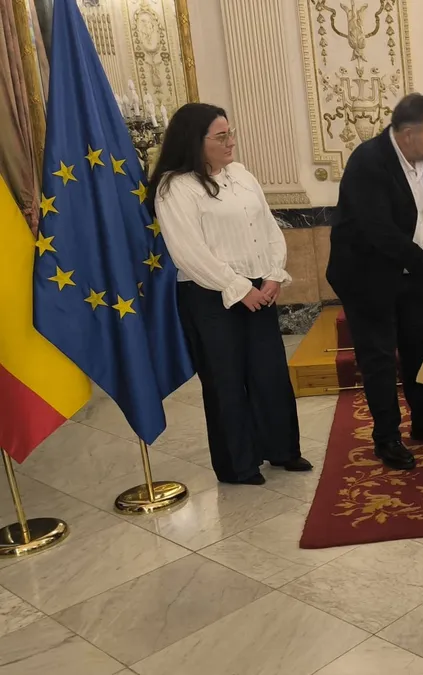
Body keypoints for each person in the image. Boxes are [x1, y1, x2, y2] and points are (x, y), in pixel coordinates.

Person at [151, 103, 310, 485]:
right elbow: (189, 253)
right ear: (195, 141)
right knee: (226, 381)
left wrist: (273, 274)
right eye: (221, 136)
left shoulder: (240, 174)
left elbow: (268, 228)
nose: (231, 142)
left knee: (270, 373)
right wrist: (237, 288)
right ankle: (238, 464)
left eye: (230, 133)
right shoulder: (175, 188)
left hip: (259, 287)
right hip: (209, 295)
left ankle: (282, 449)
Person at [326, 93, 423, 472]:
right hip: (366, 275)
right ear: (408, 135)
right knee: (378, 356)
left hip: (409, 273)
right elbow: (382, 234)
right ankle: (387, 438)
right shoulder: (368, 162)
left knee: (416, 348)